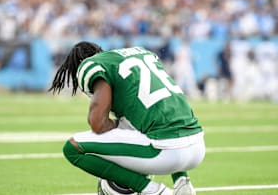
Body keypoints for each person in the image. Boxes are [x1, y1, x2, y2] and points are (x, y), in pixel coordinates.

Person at [49, 42, 205, 195]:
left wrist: (116, 124)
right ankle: (181, 181)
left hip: (165, 153)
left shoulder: (92, 65)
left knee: (72, 148)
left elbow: (97, 124)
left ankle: (153, 191)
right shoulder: (141, 53)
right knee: (154, 121)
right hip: (197, 148)